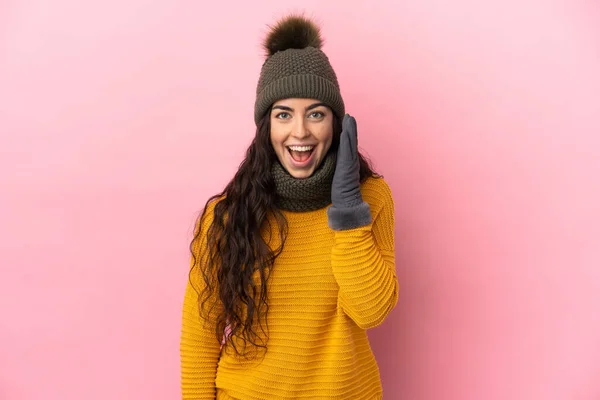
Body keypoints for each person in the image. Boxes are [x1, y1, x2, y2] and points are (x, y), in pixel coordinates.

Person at [180, 14, 399, 400]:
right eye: (284, 114)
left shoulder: (371, 198)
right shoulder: (228, 215)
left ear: (337, 123)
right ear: (266, 126)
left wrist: (348, 211)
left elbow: (371, 311)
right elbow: (201, 333)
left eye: (316, 113)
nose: (300, 132)